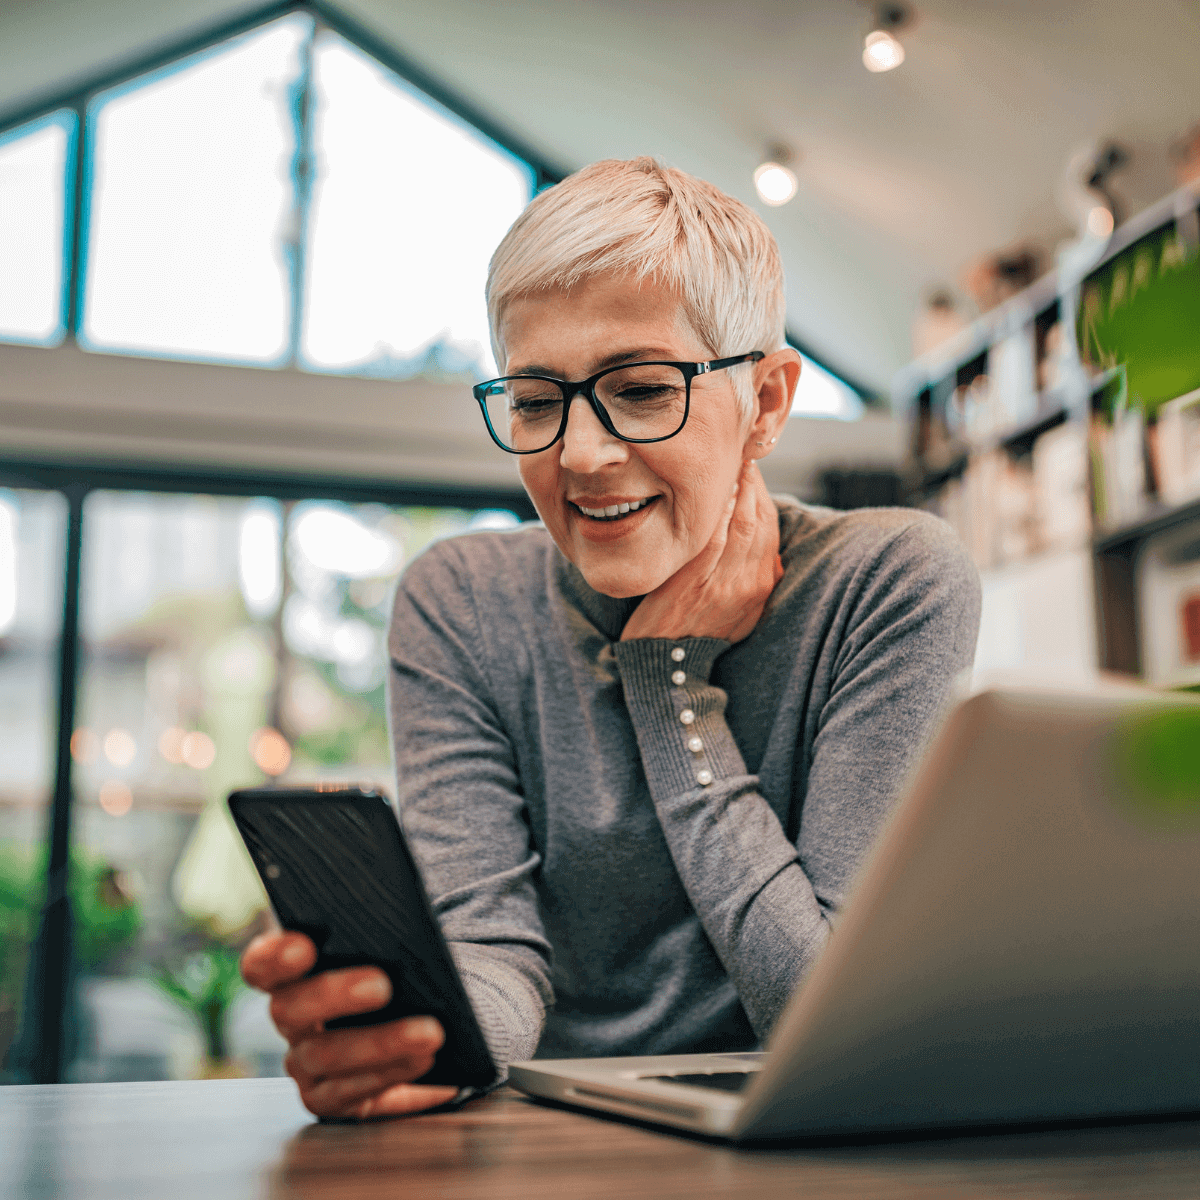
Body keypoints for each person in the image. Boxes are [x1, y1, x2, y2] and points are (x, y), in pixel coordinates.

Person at [241, 158, 981, 1120]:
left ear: (765, 403)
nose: (580, 456)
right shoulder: (462, 602)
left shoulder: (887, 583)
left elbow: (826, 1014)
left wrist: (668, 684)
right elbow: (495, 956)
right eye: (537, 402)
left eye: (639, 389)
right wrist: (421, 1033)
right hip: (551, 1147)